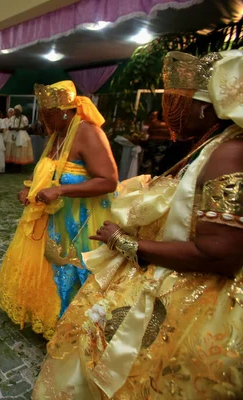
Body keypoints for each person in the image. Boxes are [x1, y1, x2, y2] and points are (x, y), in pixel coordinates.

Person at [32, 50, 243, 399]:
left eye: (180, 101)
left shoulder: (230, 153)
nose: (172, 110)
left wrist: (124, 243)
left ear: (208, 106)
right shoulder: (211, 145)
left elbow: (219, 254)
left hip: (194, 296)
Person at [0, 81, 117, 339]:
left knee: (74, 273)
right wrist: (30, 192)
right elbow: (51, 174)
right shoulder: (58, 133)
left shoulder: (88, 132)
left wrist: (60, 191)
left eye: (48, 113)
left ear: (65, 110)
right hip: (53, 220)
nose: (43, 119)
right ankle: (51, 319)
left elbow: (109, 180)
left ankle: (75, 328)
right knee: (52, 271)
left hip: (80, 223)